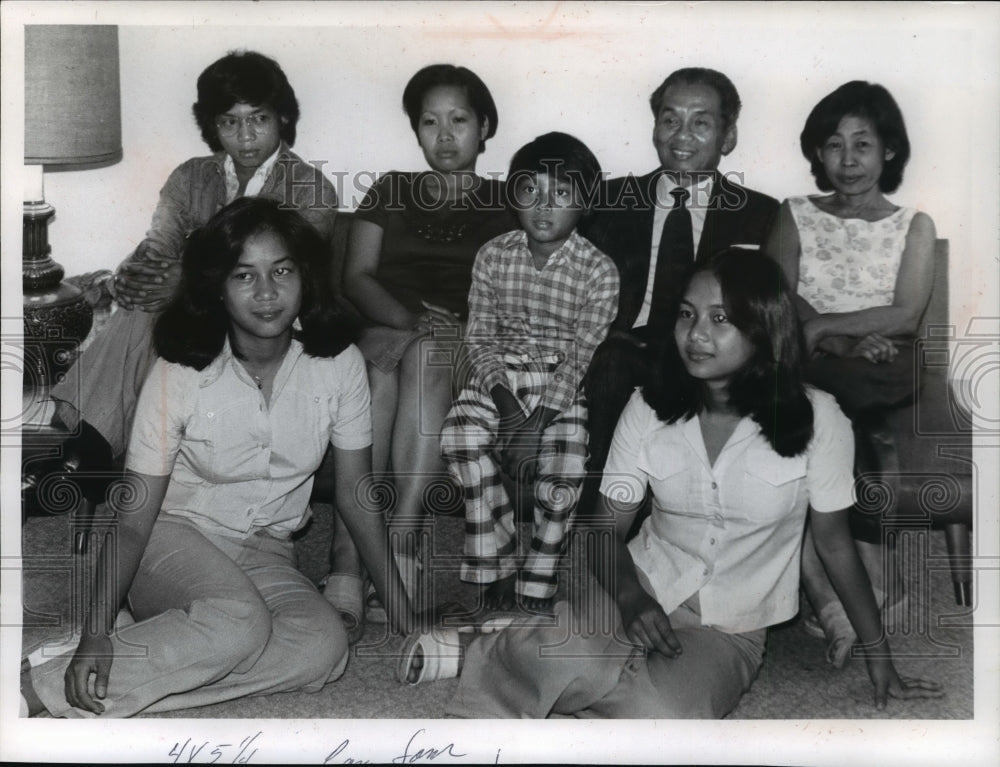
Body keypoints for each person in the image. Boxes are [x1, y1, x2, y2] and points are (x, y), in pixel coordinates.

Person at [396, 249, 943, 718]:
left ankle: (553, 658)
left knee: (665, 718)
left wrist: (880, 655)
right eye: (687, 315)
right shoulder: (649, 406)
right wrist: (632, 599)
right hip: (639, 586)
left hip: (730, 630)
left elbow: (835, 546)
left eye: (720, 319)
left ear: (764, 329)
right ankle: (497, 651)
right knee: (562, 660)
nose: (695, 335)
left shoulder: (822, 420)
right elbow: (603, 532)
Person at [20, 198, 415, 718]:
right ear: (218, 288)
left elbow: (357, 500)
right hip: (170, 539)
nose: (268, 293)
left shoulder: (338, 364)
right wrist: (96, 630)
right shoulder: (180, 370)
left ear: (305, 277)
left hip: (268, 549)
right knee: (239, 622)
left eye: (281, 271)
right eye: (243, 276)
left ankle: (142, 656)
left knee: (322, 649)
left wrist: (411, 616)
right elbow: (135, 521)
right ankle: (33, 690)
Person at [49, 50, 338, 465]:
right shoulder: (190, 176)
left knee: (153, 310)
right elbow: (158, 244)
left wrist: (185, 281)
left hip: (264, 320)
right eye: (229, 122)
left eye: (258, 118)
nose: (246, 136)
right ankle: (95, 444)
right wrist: (137, 275)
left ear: (283, 117)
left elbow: (284, 277)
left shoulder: (312, 189)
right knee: (144, 305)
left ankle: (84, 439)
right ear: (212, 126)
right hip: (184, 315)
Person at [327, 64, 515, 634]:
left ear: (485, 127)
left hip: (462, 345)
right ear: (415, 131)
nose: (445, 135)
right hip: (388, 328)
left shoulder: (509, 202)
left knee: (424, 358)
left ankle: (391, 541)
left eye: (459, 120)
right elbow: (356, 277)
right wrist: (411, 321)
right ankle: (353, 556)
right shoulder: (390, 189)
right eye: (429, 121)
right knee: (376, 372)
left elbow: (513, 287)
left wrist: (459, 330)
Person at [764, 81, 937, 667]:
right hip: (816, 355)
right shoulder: (794, 215)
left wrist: (844, 336)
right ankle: (848, 582)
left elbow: (907, 312)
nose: (848, 159)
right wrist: (835, 336)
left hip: (884, 362)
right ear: (817, 153)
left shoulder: (910, 223)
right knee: (818, 404)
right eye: (833, 144)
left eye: (863, 143)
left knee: (852, 392)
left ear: (889, 150)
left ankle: (857, 570)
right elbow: (779, 295)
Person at [439, 132, 619, 614]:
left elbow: (583, 354)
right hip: (497, 377)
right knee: (458, 438)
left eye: (561, 193)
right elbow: (477, 336)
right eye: (530, 190)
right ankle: (495, 566)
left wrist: (536, 423)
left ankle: (537, 583)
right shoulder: (494, 254)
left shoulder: (599, 270)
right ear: (512, 196)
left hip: (561, 385)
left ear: (585, 203)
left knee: (565, 472)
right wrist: (505, 406)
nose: (544, 206)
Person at [579, 67, 779, 491]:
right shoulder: (609, 202)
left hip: (710, 351)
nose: (681, 136)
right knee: (612, 363)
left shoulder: (761, 215)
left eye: (700, 122)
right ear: (655, 129)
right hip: (624, 350)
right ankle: (596, 524)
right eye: (670, 120)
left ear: (728, 136)